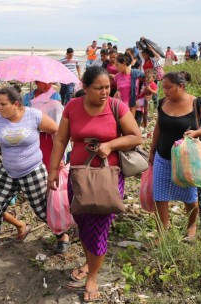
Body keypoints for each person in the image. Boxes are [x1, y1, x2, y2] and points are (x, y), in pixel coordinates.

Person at [48, 66, 142, 302]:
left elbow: (135, 136)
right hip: (78, 177)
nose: (104, 92)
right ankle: (89, 263)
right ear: (85, 87)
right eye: (99, 88)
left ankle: (92, 276)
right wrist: (52, 170)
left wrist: (110, 145)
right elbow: (60, 139)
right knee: (82, 220)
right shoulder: (72, 107)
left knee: (99, 226)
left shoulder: (115, 106)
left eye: (107, 87)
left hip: (107, 178)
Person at [0, 86, 70, 262]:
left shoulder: (34, 115)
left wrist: (58, 158)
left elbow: (57, 130)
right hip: (8, 171)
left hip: (32, 170)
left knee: (41, 208)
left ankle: (62, 236)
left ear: (16, 104)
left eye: (3, 104)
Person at [148, 72, 201, 241]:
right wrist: (151, 151)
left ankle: (191, 227)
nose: (164, 91)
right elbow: (158, 127)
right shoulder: (163, 103)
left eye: (168, 87)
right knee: (160, 197)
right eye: (163, 87)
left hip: (188, 160)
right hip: (163, 157)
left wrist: (199, 132)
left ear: (181, 86)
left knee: (190, 197)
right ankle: (162, 235)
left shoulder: (197, 103)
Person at [24, 80, 65, 169]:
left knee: (49, 162)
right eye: (44, 82)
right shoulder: (28, 97)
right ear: (37, 82)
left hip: (49, 134)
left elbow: (57, 116)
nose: (48, 85)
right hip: (32, 132)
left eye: (50, 82)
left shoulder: (54, 95)